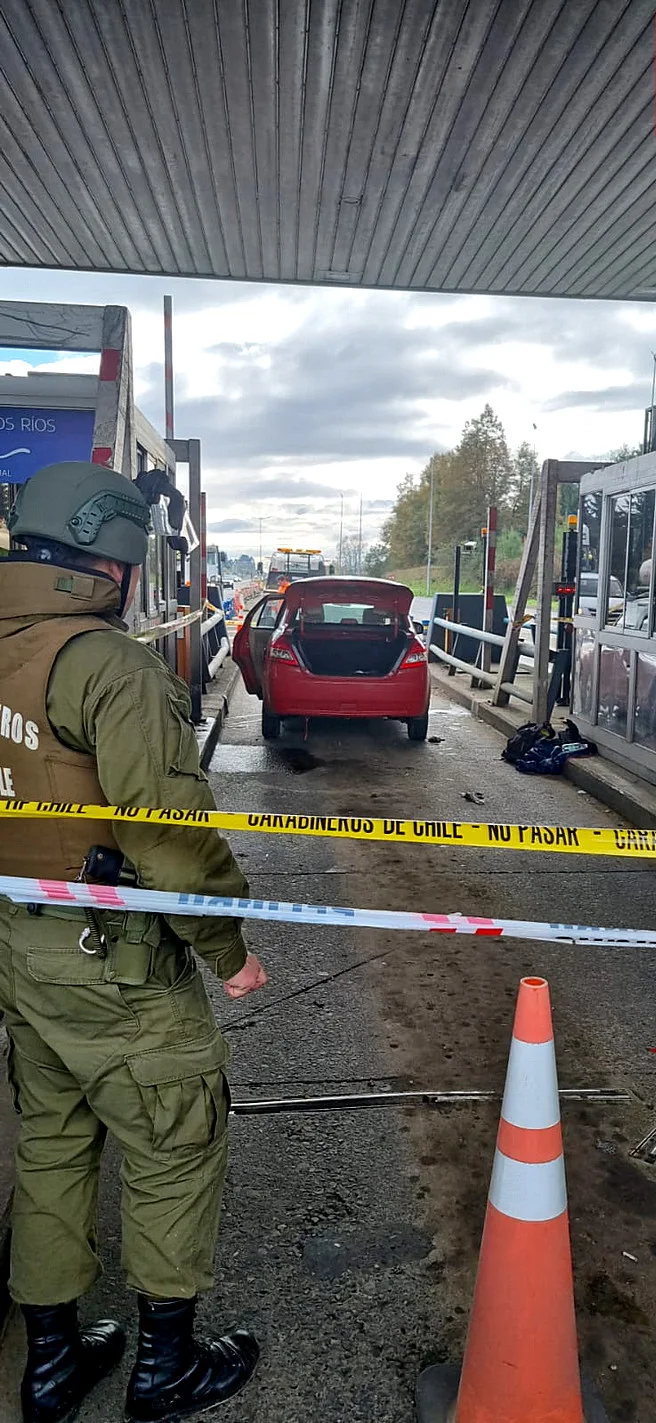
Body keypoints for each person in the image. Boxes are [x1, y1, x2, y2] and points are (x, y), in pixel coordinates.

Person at [0, 461, 268, 1423]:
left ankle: (52, 1364)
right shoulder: (107, 665)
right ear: (113, 561)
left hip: (22, 957)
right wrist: (227, 950)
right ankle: (164, 1371)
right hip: (114, 963)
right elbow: (167, 834)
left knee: (52, 1144)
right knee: (173, 1142)